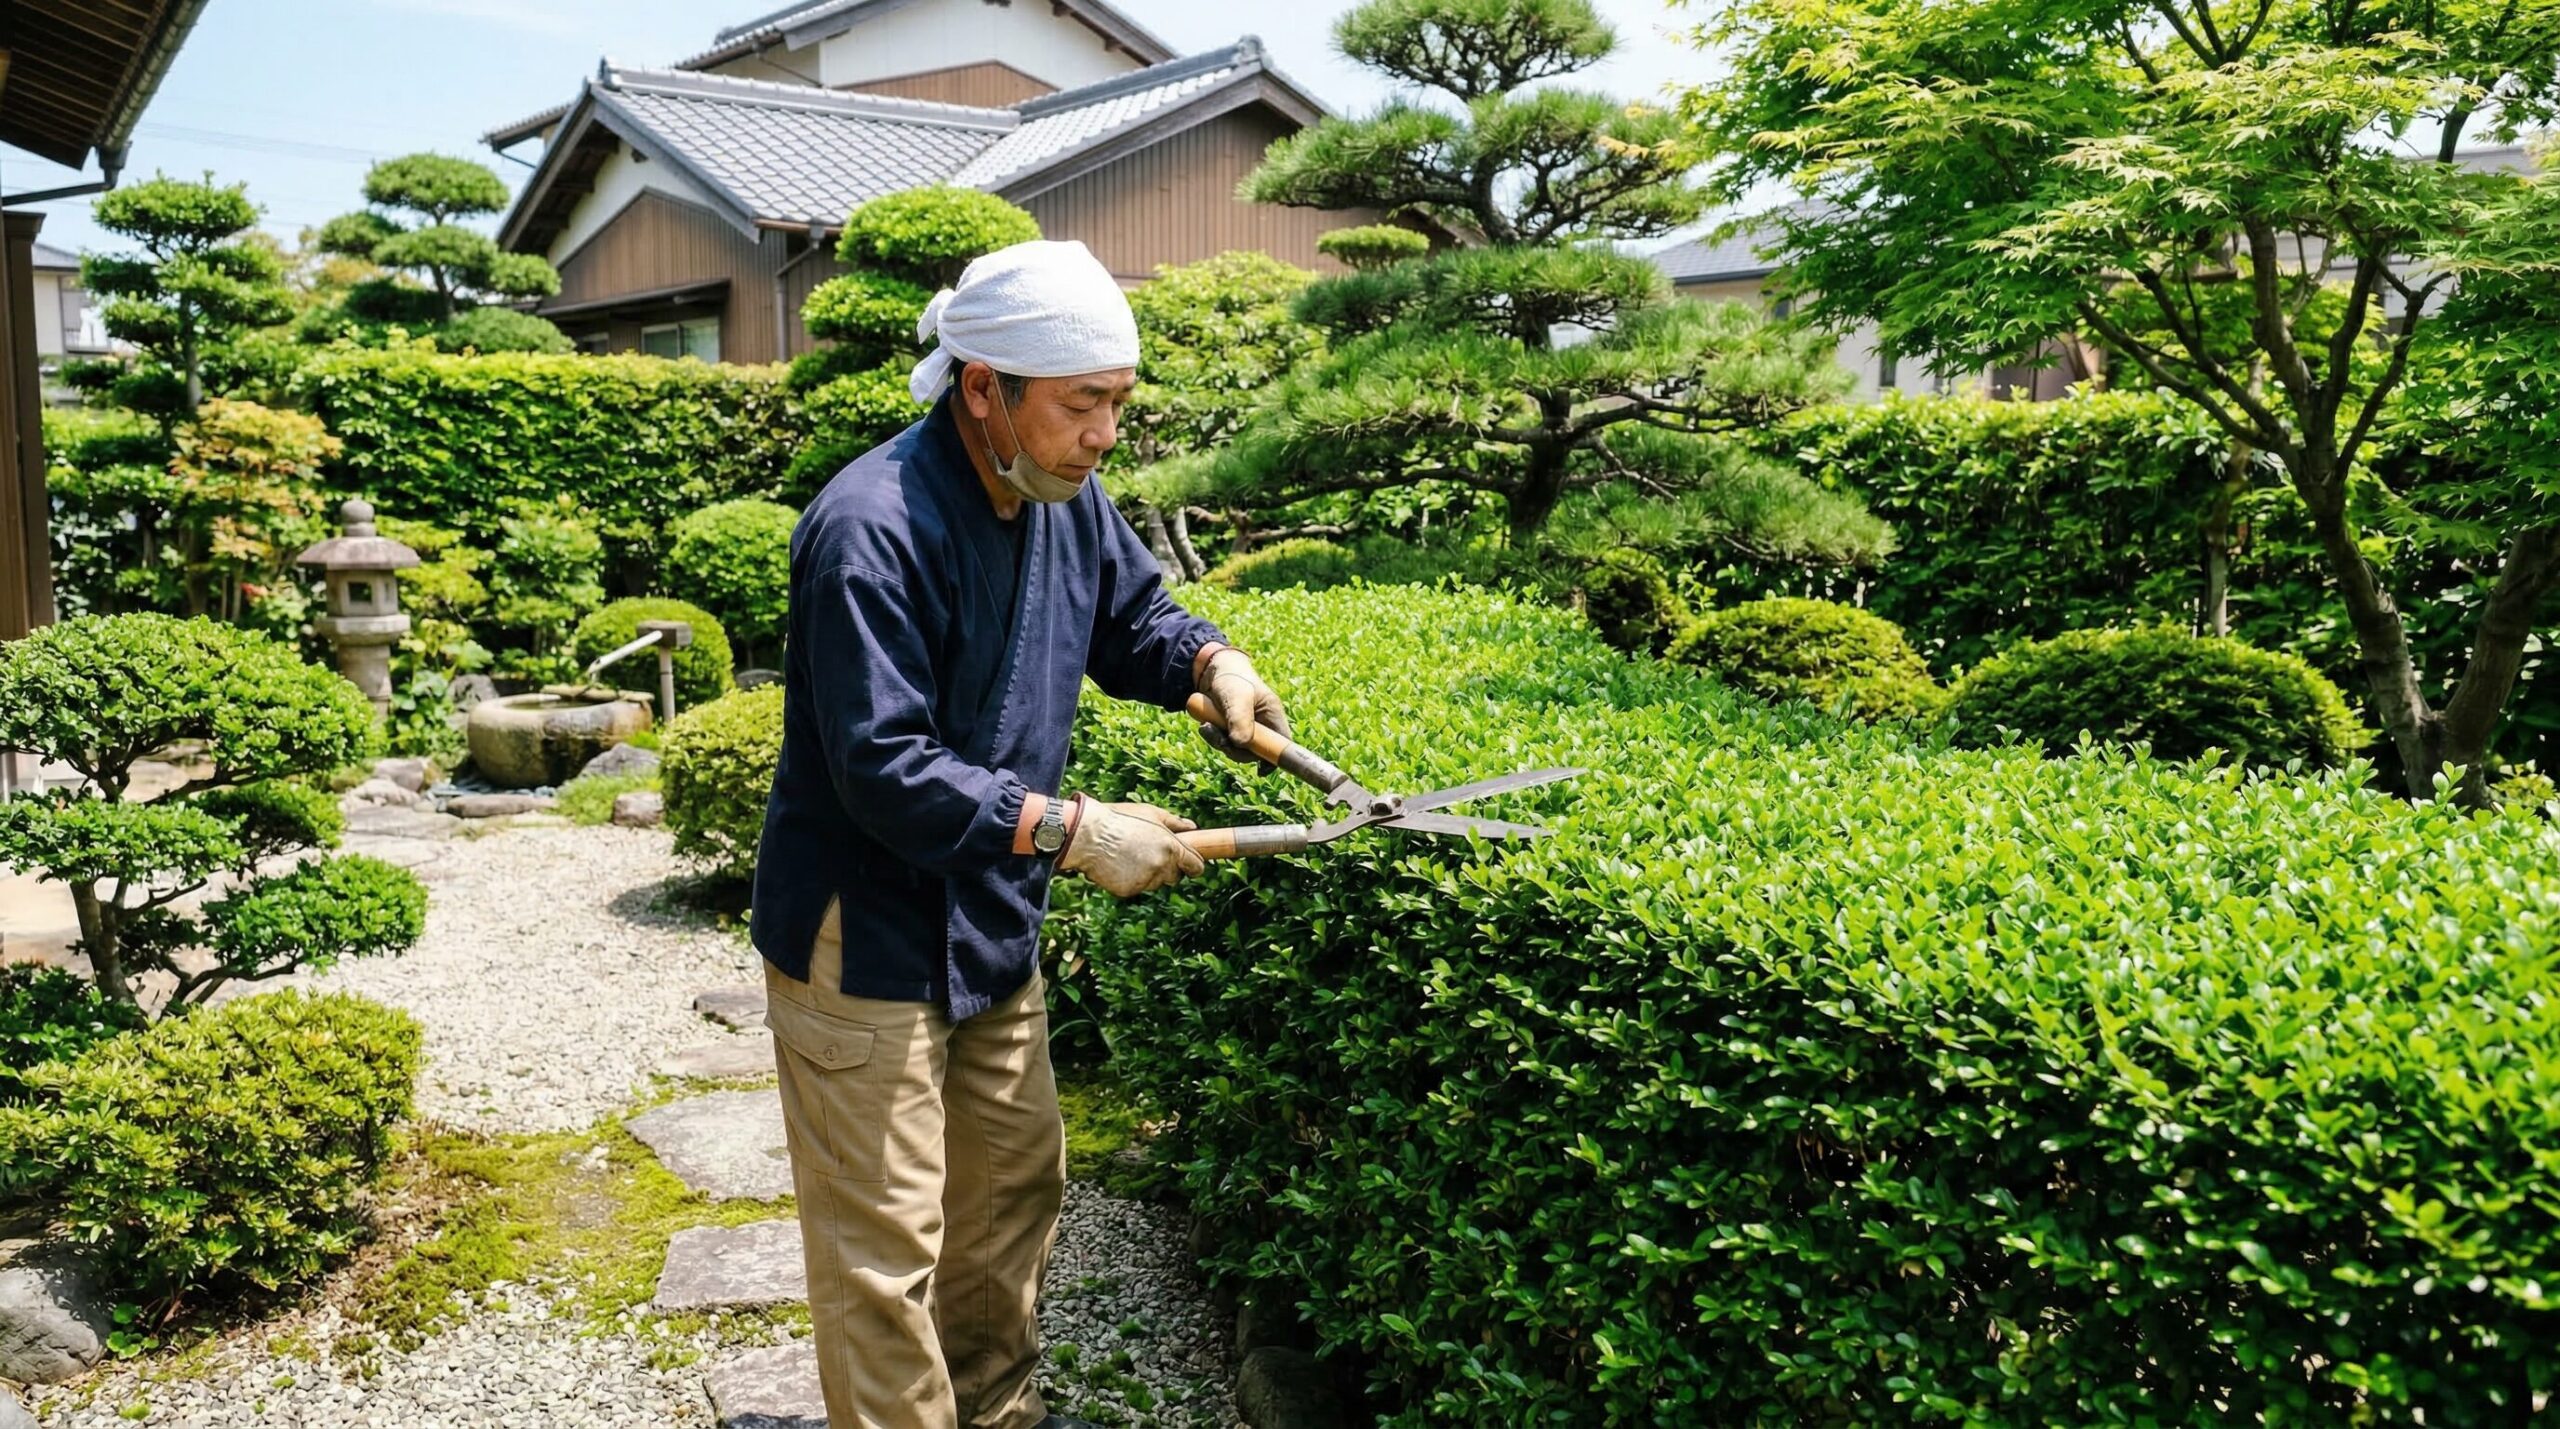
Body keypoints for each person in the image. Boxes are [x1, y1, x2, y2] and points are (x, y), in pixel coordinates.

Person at [750, 238, 1291, 1429]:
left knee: (1007, 1198)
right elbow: (884, 768)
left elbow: (1133, 613)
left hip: (991, 916)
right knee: (883, 1251)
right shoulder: (869, 528)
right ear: (982, 386)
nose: (1105, 434)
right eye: (1082, 404)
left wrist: (1211, 660)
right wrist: (1079, 831)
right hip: (867, 930)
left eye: (1117, 404)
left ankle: (996, 1413)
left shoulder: (1061, 497)